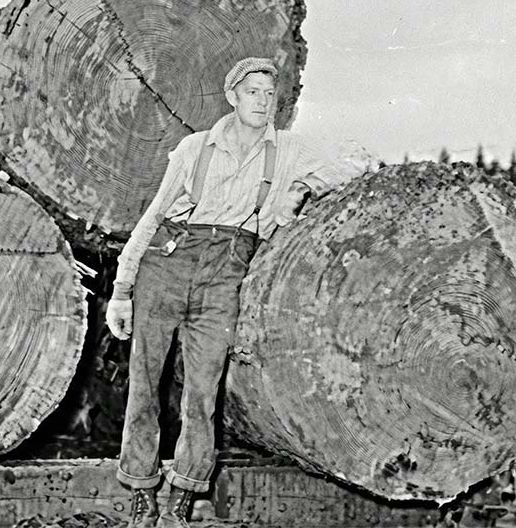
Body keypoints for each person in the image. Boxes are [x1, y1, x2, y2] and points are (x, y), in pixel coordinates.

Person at [105, 57, 355, 527]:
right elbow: (154, 215)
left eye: (269, 93)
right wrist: (122, 288)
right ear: (232, 96)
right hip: (168, 261)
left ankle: (182, 496)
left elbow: (349, 171)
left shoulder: (289, 152)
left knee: (202, 393)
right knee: (144, 384)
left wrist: (293, 198)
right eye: (253, 91)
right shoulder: (195, 147)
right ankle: (141, 490)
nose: (263, 101)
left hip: (227, 272)